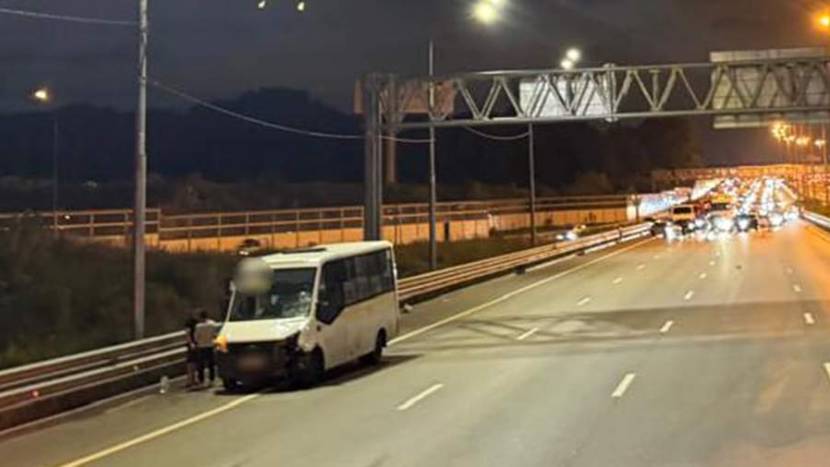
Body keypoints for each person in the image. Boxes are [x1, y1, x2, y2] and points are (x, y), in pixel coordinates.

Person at [193, 309, 219, 386]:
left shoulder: (198, 326)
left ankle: (201, 380)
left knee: (201, 364)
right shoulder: (212, 324)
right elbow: (215, 334)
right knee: (211, 363)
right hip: (211, 345)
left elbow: (196, 337)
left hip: (201, 346)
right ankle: (212, 379)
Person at [184, 314, 199, 389]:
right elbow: (188, 335)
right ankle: (192, 379)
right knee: (192, 362)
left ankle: (191, 379)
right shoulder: (193, 326)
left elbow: (188, 336)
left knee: (192, 362)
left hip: (192, 345)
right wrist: (192, 343)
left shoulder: (191, 327)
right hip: (194, 345)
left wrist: (191, 343)